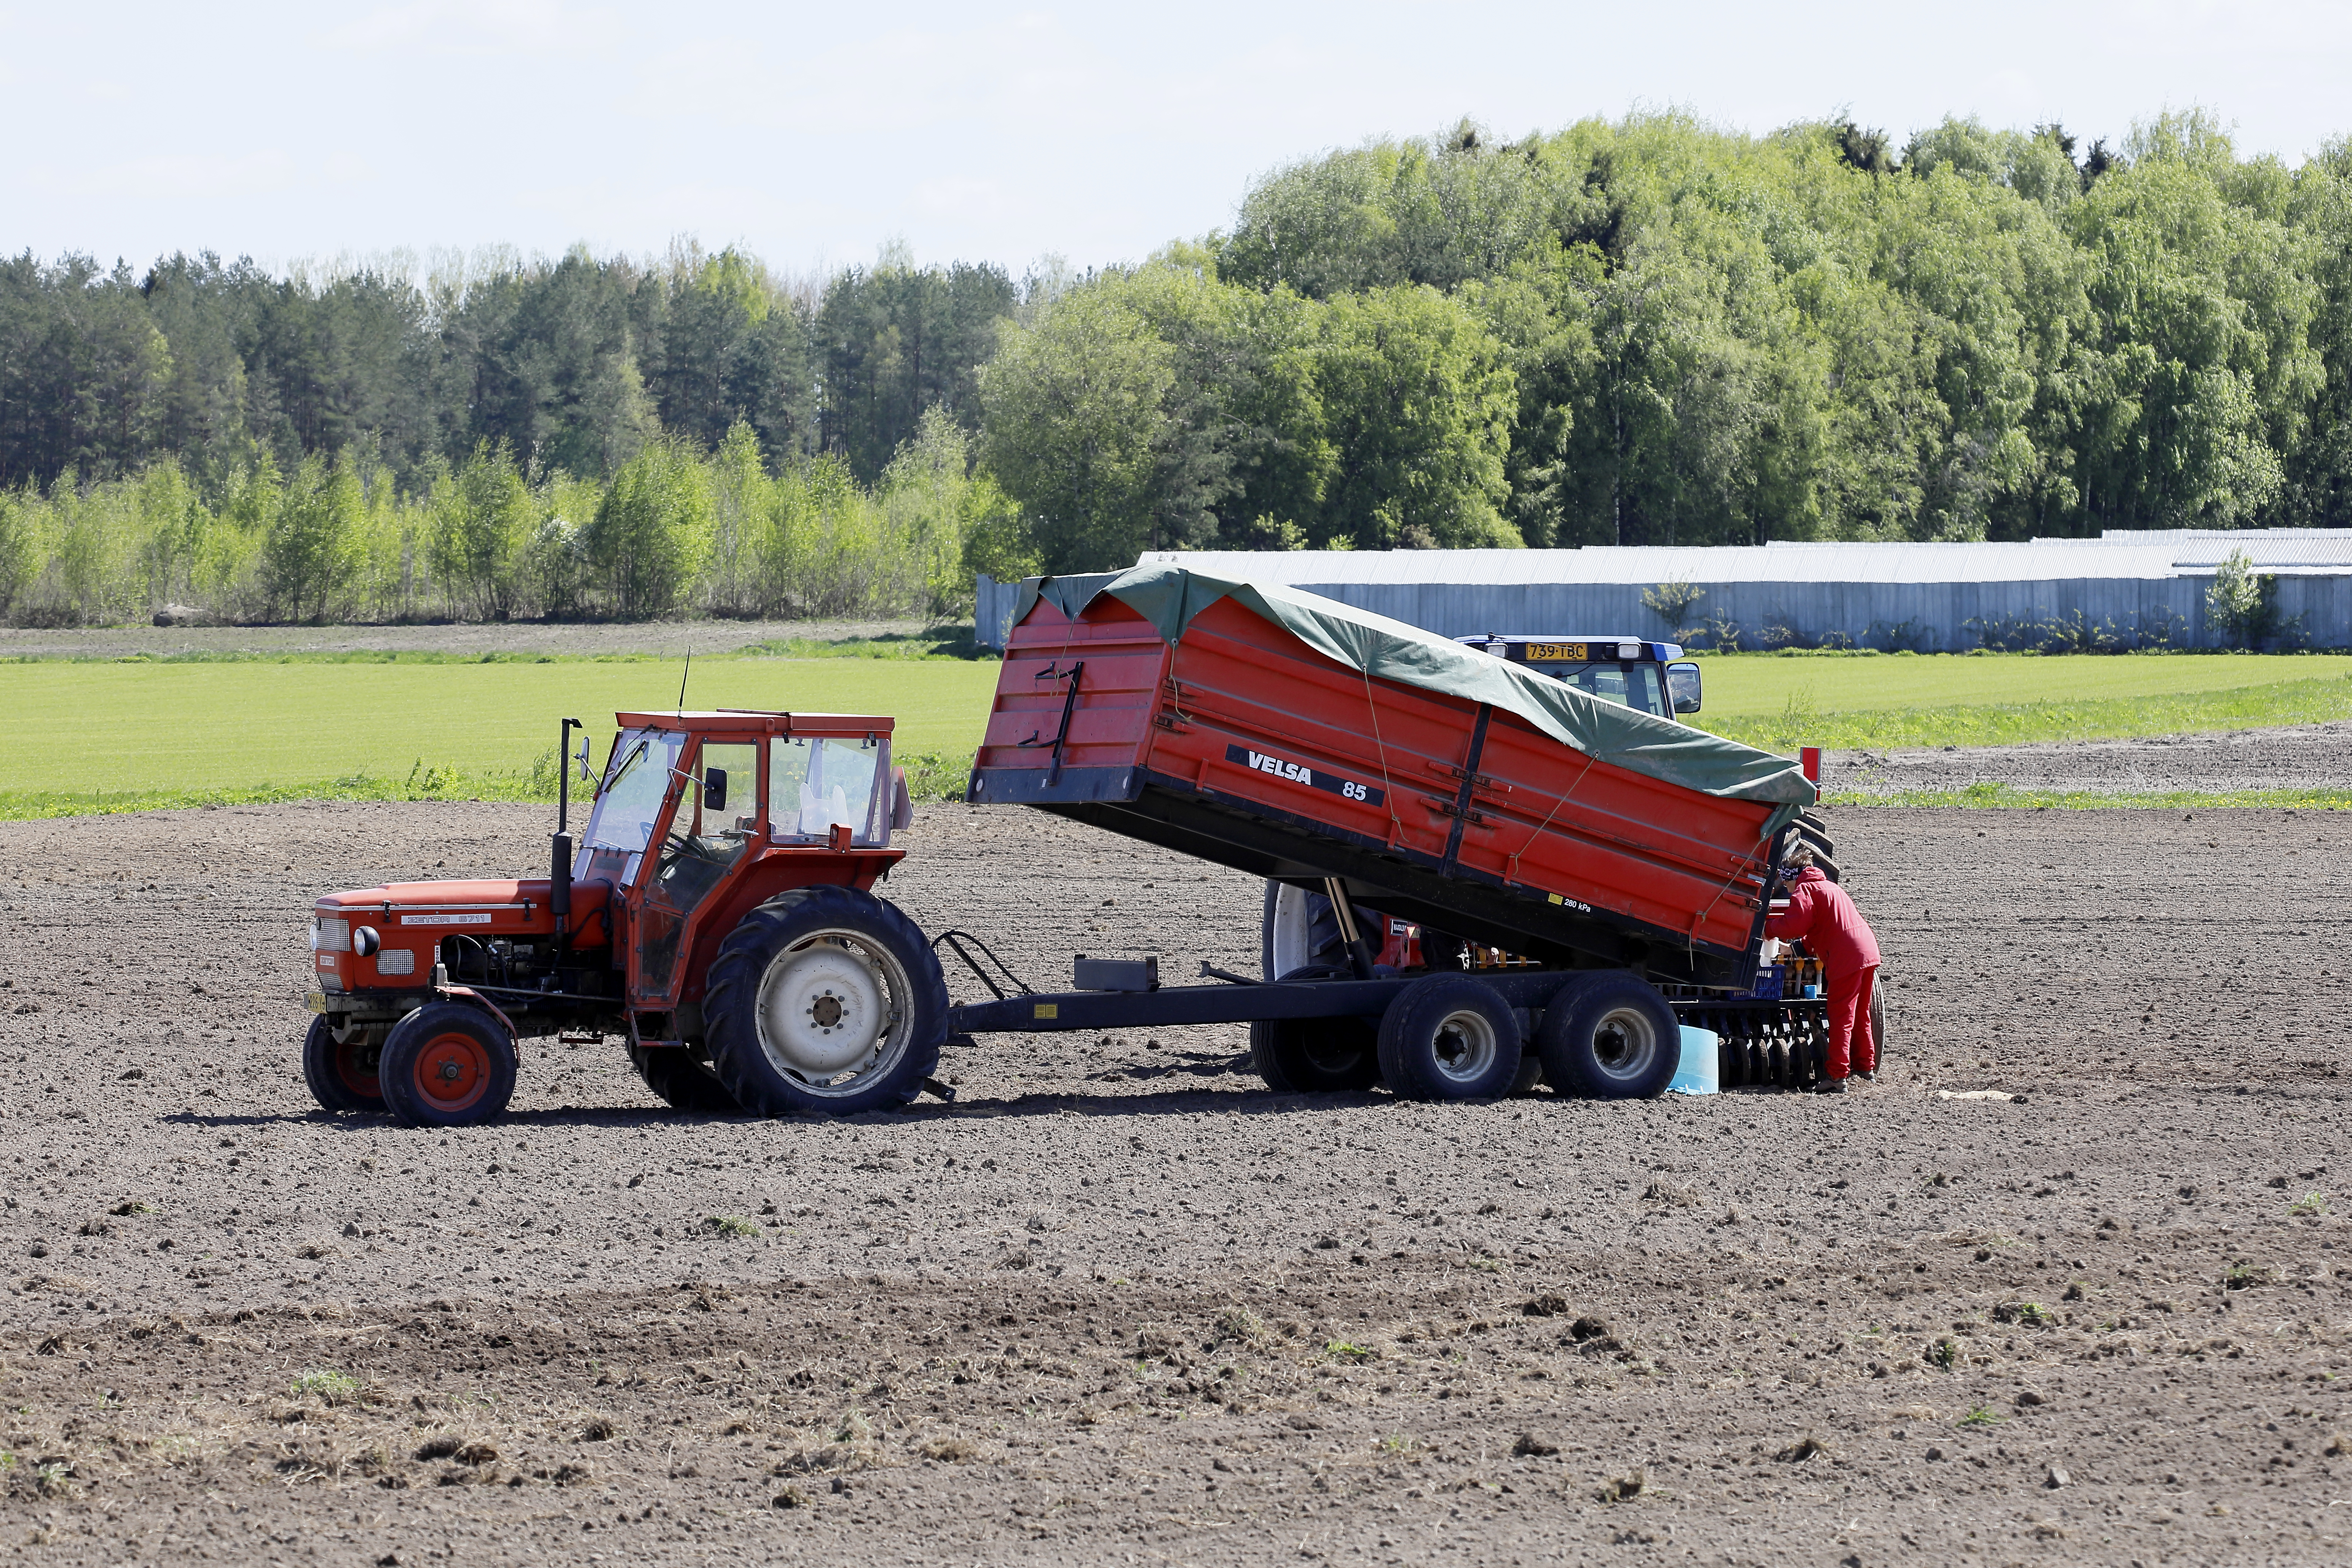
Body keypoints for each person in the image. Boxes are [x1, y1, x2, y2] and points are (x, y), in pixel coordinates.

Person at [1765, 839, 1881, 1094]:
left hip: (1846, 957)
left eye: (1787, 883)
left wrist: (1769, 930)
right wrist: (1792, 949)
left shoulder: (1806, 890)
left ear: (1794, 878)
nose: (1788, 888)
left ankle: (1837, 1077)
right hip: (1868, 951)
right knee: (1861, 1013)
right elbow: (1818, 931)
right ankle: (1865, 1067)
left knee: (1841, 1016)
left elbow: (1795, 924)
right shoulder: (1828, 887)